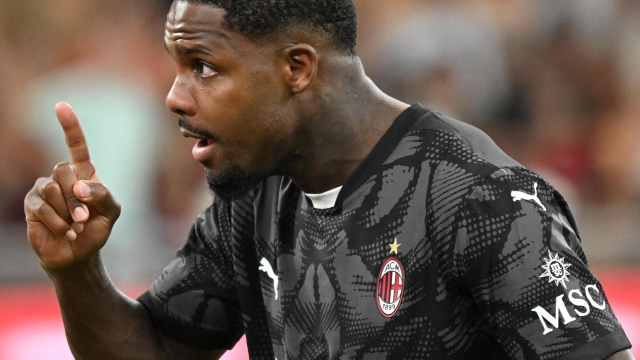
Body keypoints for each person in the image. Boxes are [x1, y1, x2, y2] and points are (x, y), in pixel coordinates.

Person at [23, 0, 634, 359]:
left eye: (203, 67)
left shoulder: (478, 197)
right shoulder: (254, 194)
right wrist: (76, 271)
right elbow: (155, 350)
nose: (175, 97)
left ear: (296, 68)